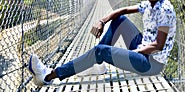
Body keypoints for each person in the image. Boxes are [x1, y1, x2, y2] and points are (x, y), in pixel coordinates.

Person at [28, 0, 176, 86]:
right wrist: (102, 21)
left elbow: (158, 46)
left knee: (100, 51)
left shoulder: (164, 9)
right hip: (143, 47)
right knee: (120, 20)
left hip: (150, 63)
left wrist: (132, 53)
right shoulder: (149, 3)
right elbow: (122, 10)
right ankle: (97, 65)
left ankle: (48, 76)